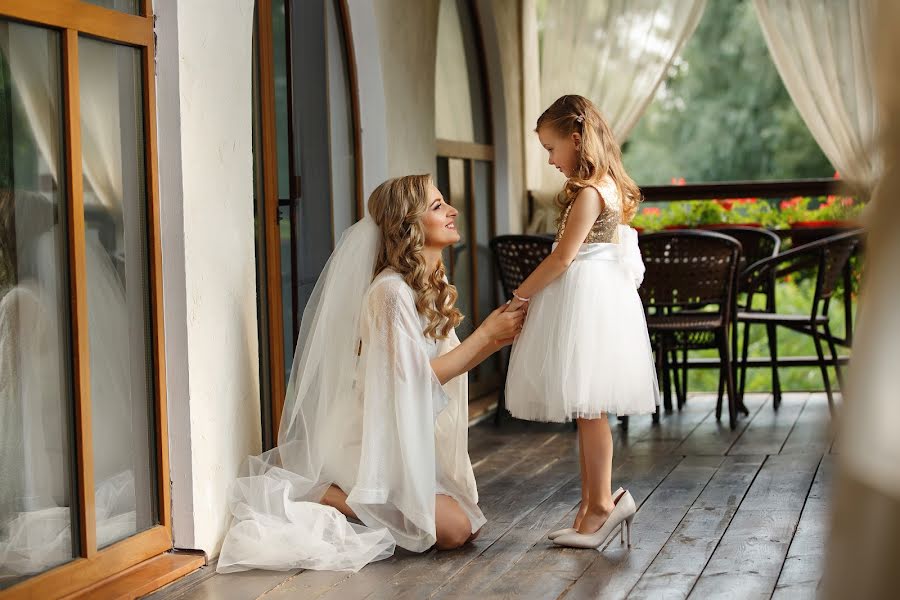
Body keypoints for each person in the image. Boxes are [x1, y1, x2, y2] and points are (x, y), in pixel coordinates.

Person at [217, 175, 524, 573]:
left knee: (467, 527)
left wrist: (496, 339)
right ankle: (329, 494)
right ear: (407, 225)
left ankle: (381, 501)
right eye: (436, 206)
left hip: (406, 433)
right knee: (452, 531)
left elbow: (434, 373)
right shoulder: (390, 292)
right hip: (373, 439)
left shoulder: (431, 283)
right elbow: (411, 383)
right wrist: (486, 337)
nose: (452, 211)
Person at [504, 94, 659, 550]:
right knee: (588, 412)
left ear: (576, 139)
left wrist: (520, 295)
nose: (550, 160)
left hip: (588, 303)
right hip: (596, 298)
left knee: (591, 411)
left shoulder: (592, 192)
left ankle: (601, 508)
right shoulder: (603, 186)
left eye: (552, 148)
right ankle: (594, 503)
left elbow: (562, 257)